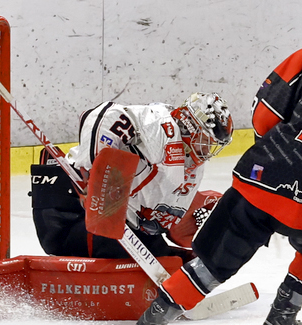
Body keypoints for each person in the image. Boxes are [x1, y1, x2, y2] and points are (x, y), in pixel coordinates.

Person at [126, 7, 302, 325]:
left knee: (215, 260)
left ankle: (154, 320)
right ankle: (284, 314)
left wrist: (281, 163)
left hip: (262, 184)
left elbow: (263, 118)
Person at [37, 92, 233, 261]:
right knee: (119, 251)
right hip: (70, 211)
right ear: (189, 126)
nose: (207, 149)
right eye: (205, 140)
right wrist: (92, 172)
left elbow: (159, 217)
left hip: (121, 227)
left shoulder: (191, 162)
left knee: (173, 261)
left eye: (212, 145)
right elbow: (102, 115)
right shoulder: (158, 126)